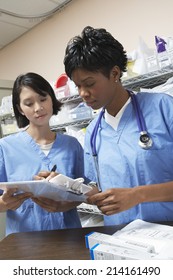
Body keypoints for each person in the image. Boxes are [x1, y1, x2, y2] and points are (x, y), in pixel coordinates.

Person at [63, 26, 173, 226]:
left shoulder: (163, 108)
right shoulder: (93, 132)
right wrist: (69, 190)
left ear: (114, 74)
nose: (82, 93)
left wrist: (137, 195)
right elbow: (96, 186)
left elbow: (132, 195)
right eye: (78, 85)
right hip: (120, 237)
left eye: (89, 83)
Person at [0, 72, 84, 235]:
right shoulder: (5, 147)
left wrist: (66, 200)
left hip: (69, 236)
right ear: (20, 109)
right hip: (25, 241)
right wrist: (4, 203)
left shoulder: (71, 145)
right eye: (29, 103)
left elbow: (85, 192)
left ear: (52, 99)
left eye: (43, 99)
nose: (38, 108)